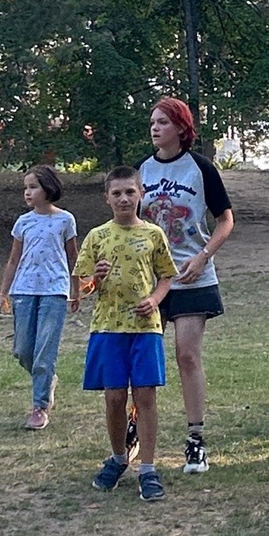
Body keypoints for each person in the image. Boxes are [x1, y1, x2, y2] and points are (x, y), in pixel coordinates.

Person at [139, 97, 235, 474]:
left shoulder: (200, 168)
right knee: (143, 359)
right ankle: (136, 429)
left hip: (192, 276)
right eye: (152, 122)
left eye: (162, 121)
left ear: (181, 127)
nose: (155, 128)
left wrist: (203, 257)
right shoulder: (141, 170)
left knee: (186, 355)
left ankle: (195, 440)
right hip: (149, 280)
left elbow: (226, 220)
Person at [77, 165, 176, 502]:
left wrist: (155, 299)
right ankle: (119, 456)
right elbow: (82, 287)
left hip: (145, 328)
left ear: (141, 194)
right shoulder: (96, 237)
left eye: (129, 192)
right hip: (108, 327)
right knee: (115, 397)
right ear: (107, 198)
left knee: (145, 396)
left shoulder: (153, 235)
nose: (123, 198)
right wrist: (96, 280)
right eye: (116, 193)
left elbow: (166, 276)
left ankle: (147, 467)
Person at [0, 166, 79, 431]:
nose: (27, 192)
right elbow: (13, 260)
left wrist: (76, 291)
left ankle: (39, 407)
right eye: (25, 188)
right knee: (23, 350)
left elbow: (73, 258)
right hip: (24, 291)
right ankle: (47, 379)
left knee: (44, 351)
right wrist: (2, 293)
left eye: (33, 187)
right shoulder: (23, 222)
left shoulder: (66, 220)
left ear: (48, 188)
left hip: (55, 290)